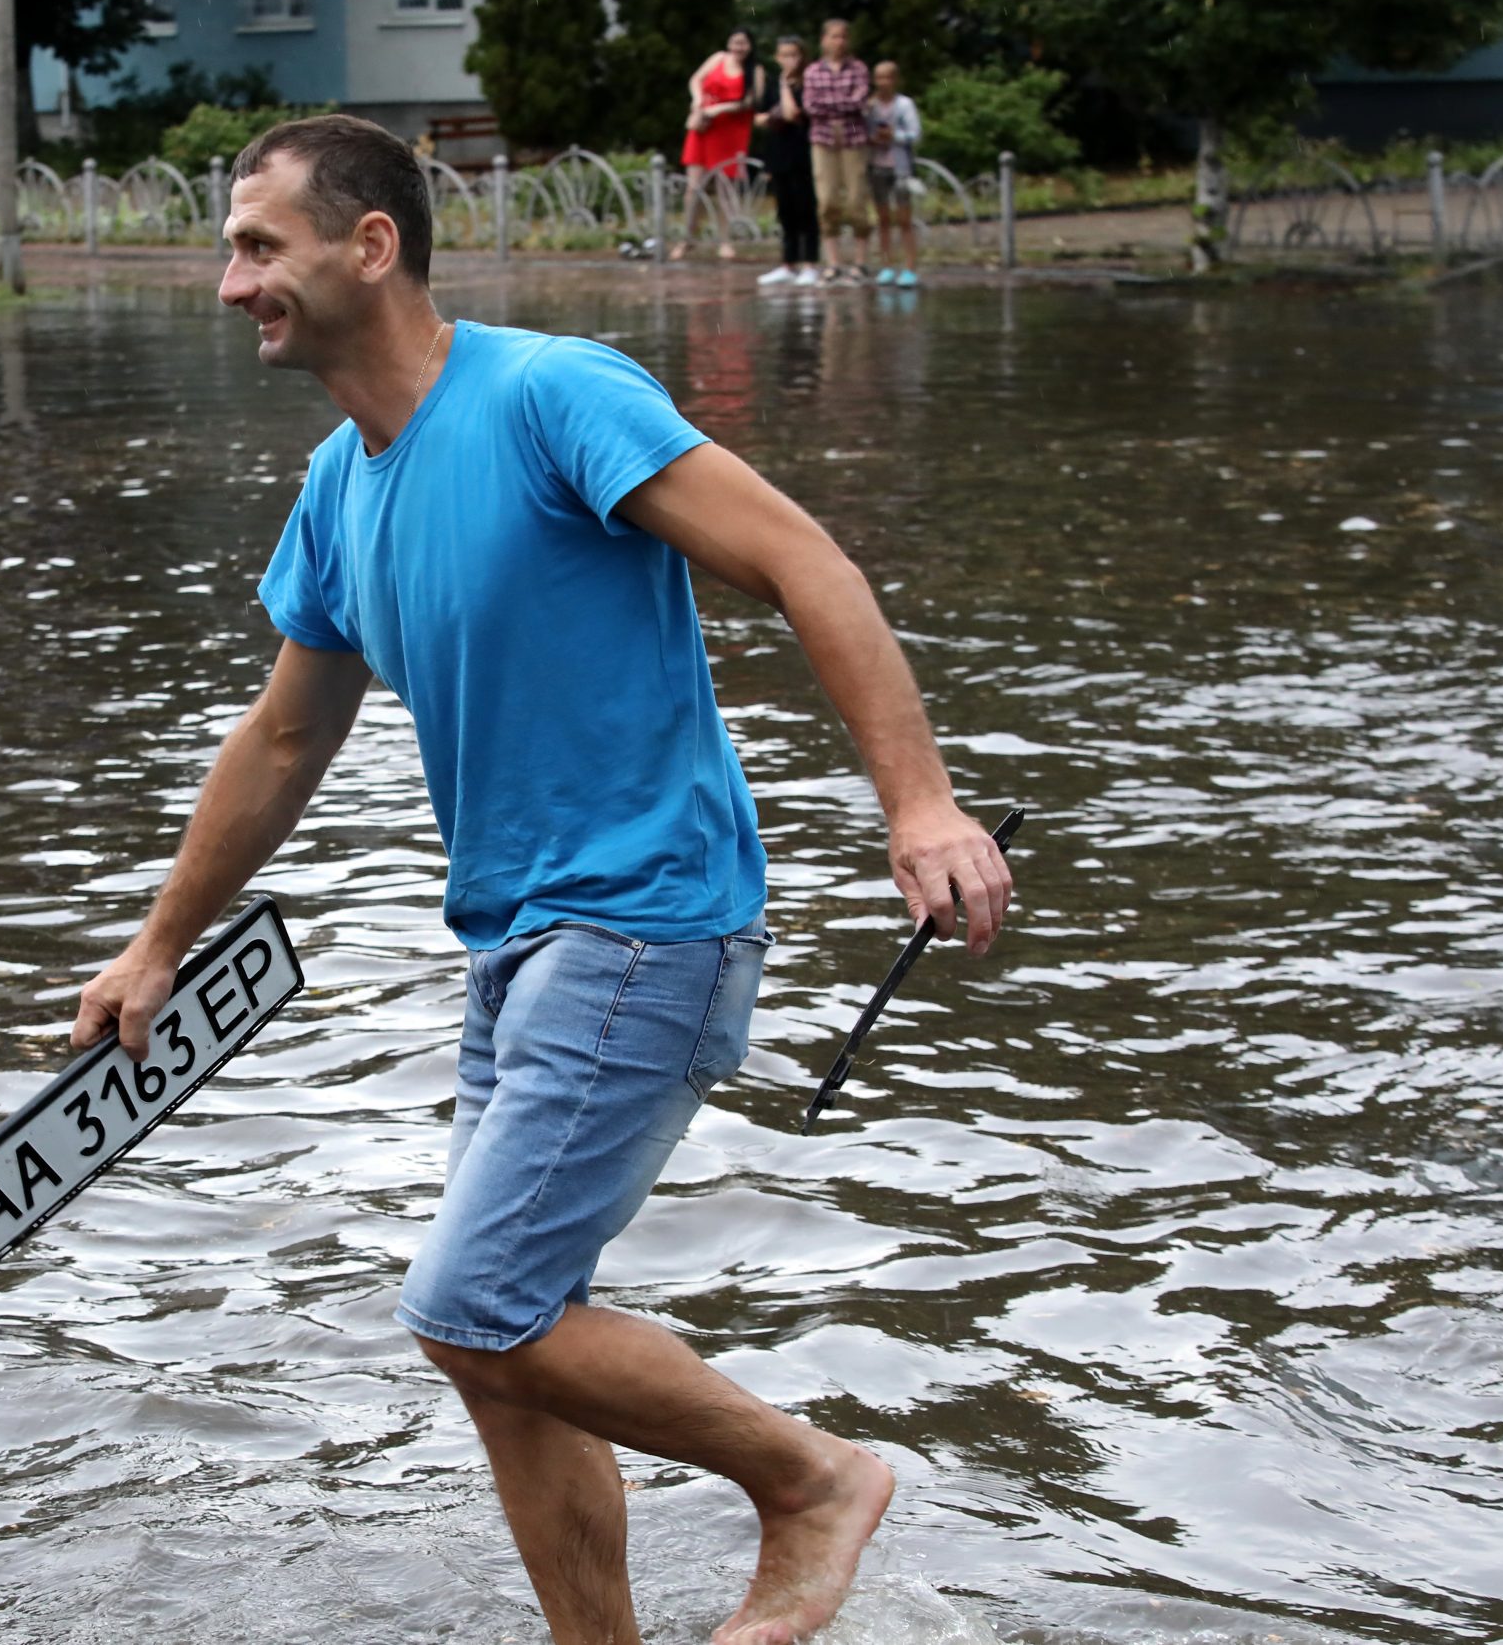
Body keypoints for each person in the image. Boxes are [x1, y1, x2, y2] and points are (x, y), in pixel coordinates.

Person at [70, 112, 1013, 1645]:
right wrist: (160, 942)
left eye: (257, 246)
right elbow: (286, 731)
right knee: (504, 1347)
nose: (229, 282)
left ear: (368, 247)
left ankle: (815, 1482)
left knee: (472, 1303)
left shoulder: (550, 396)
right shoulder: (341, 481)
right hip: (515, 945)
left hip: (647, 919)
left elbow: (805, 562)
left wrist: (918, 806)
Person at [671, 30, 760, 262]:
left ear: (750, 46)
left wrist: (720, 108)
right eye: (735, 42)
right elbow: (696, 79)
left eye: (743, 43)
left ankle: (725, 240)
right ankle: (688, 237)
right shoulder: (717, 59)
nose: (738, 47)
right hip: (703, 129)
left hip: (730, 132)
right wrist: (697, 99)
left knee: (724, 190)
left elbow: (750, 102)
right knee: (693, 189)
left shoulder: (755, 71)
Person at [801, 19, 871, 284]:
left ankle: (861, 262)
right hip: (823, 140)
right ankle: (833, 263)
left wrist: (834, 107)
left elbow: (860, 101)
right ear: (823, 40)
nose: (838, 42)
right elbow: (811, 106)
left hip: (854, 139)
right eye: (833, 37)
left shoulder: (858, 69)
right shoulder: (813, 71)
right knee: (827, 200)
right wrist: (842, 107)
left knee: (856, 200)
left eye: (843, 37)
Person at [755, 35, 821, 287]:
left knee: (805, 209)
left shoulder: (806, 84)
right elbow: (760, 117)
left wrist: (785, 87)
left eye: (794, 55)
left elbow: (793, 113)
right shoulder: (773, 83)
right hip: (778, 151)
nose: (789, 60)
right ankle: (788, 262)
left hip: (801, 151)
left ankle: (810, 263)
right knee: (785, 211)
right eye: (784, 55)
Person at [866, 62, 922, 287]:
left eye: (887, 78)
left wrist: (894, 135)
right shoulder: (870, 106)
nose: (883, 83)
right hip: (877, 165)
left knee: (904, 219)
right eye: (879, 78)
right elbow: (857, 128)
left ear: (895, 80)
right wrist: (873, 137)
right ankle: (886, 265)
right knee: (883, 219)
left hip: (900, 167)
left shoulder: (905, 105)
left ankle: (909, 267)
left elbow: (915, 134)